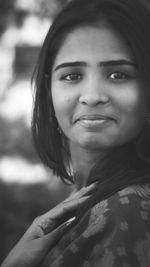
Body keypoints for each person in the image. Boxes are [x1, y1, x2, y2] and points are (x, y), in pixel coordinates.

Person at [1, 0, 150, 266]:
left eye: (118, 74)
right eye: (71, 76)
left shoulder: (127, 211)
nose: (92, 97)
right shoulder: (88, 199)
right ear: (49, 90)